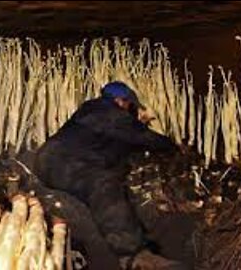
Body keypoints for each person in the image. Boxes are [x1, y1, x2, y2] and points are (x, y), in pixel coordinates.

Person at [33, 81, 187, 269]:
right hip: (64, 162)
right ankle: (134, 255)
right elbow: (144, 137)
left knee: (104, 176)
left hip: (51, 161)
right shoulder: (110, 113)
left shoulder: (91, 111)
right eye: (130, 105)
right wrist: (172, 146)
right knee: (103, 184)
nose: (130, 110)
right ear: (120, 101)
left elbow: (115, 146)